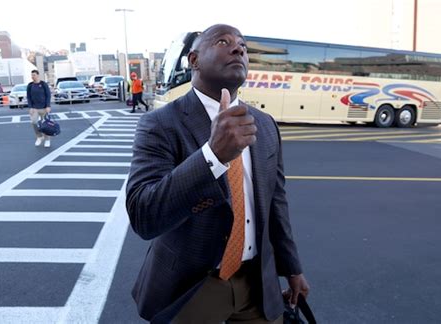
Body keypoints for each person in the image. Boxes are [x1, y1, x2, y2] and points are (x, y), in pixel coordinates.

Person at [126, 24, 310, 324]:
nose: (238, 48)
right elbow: (144, 216)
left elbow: (276, 203)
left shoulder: (264, 125)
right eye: (223, 41)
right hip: (192, 287)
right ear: (194, 60)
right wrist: (212, 156)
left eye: (242, 45)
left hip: (258, 286)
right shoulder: (159, 124)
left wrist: (292, 268)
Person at [26, 70, 52, 147]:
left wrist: (48, 106)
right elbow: (28, 97)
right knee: (34, 122)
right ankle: (39, 137)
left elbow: (48, 95)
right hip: (34, 108)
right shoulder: (30, 85)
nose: (32, 76)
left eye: (34, 75)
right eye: (31, 75)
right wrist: (30, 107)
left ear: (38, 75)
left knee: (45, 124)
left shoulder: (43, 84)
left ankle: (47, 139)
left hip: (44, 108)